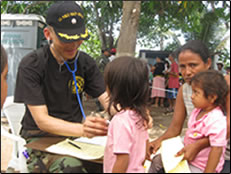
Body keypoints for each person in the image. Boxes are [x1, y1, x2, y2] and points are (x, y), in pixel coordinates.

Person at [14, 2, 112, 173]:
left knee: (111, 162)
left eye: (79, 38)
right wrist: (84, 130)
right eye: (67, 39)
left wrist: (132, 115)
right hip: (37, 140)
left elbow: (108, 100)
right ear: (48, 33)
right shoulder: (32, 65)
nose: (74, 45)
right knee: (71, 169)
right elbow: (42, 121)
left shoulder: (85, 63)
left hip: (75, 140)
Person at [148, 40, 230, 173]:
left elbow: (228, 125)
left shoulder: (225, 83)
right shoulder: (184, 90)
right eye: (182, 66)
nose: (187, 72)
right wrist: (157, 142)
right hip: (192, 151)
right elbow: (175, 128)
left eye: (193, 65)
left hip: (222, 154)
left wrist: (198, 145)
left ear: (208, 63)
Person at [103, 56, 153, 173]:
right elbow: (146, 151)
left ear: (114, 88)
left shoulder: (120, 120)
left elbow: (122, 159)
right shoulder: (141, 116)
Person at [184, 70, 228, 172]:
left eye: (196, 92)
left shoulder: (216, 120)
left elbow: (216, 150)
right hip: (192, 160)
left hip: (202, 167)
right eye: (192, 91)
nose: (192, 96)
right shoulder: (197, 111)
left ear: (212, 97)